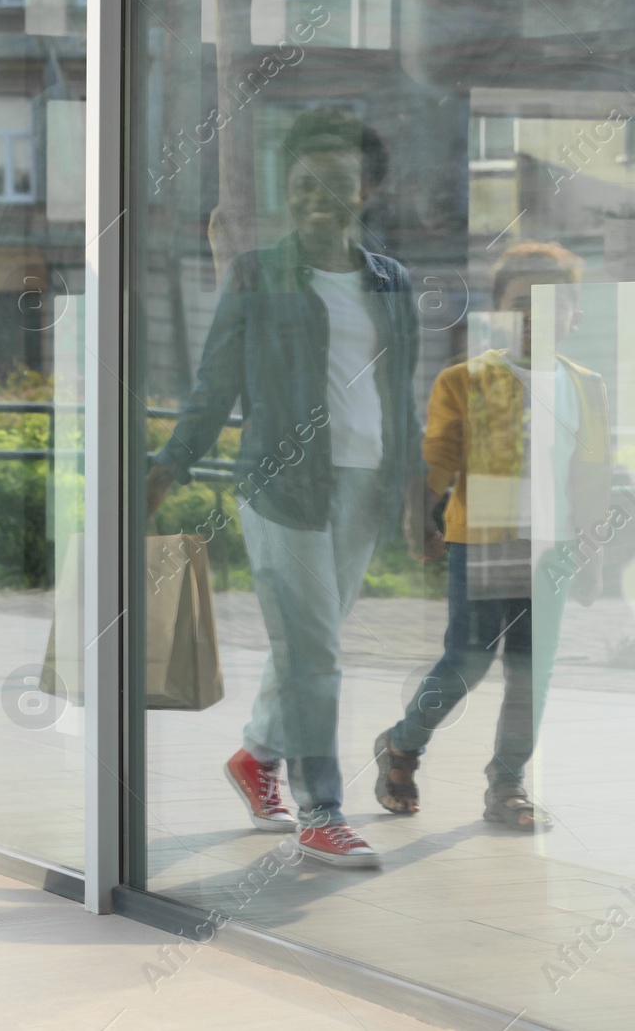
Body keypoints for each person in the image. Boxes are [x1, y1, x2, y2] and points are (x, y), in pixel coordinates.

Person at [146, 108, 438, 869]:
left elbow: (401, 400)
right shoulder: (258, 275)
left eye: (336, 184)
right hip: (282, 486)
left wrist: (415, 501)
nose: (318, 197)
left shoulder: (390, 281)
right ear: (289, 192)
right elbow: (215, 386)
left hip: (363, 488)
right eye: (304, 184)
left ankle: (255, 755)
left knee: (313, 643)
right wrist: (165, 468)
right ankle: (323, 810)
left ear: (363, 192)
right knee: (313, 650)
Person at [375, 242, 609, 832]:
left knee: (533, 672)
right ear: (500, 311)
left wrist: (593, 552)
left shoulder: (588, 387)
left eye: (552, 302)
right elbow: (439, 457)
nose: (536, 314)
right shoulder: (468, 378)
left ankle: (508, 784)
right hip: (482, 540)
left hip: (551, 549)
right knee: (468, 661)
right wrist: (420, 518)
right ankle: (402, 746)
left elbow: (591, 474)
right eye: (520, 302)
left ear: (575, 315)